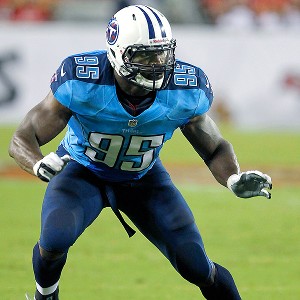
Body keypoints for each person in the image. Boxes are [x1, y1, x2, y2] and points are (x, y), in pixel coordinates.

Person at [9, 5, 272, 300]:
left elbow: (214, 147)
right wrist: (37, 163)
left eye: (162, 53)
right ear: (117, 53)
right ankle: (45, 294)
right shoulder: (82, 80)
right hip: (82, 170)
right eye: (145, 55)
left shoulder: (185, 88)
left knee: (196, 265)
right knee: (54, 240)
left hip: (144, 178)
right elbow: (23, 137)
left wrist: (232, 178)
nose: (158, 63)